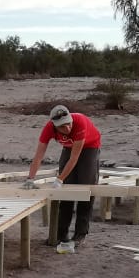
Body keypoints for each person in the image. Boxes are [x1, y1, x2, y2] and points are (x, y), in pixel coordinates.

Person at [22, 105, 103, 251]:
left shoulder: (80, 123)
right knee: (65, 192)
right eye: (62, 127)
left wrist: (59, 179)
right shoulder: (48, 128)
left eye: (68, 124)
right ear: (54, 125)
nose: (66, 128)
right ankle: (60, 234)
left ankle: (80, 234)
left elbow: (74, 159)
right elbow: (39, 155)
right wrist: (30, 178)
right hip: (69, 147)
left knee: (85, 189)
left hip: (89, 147)